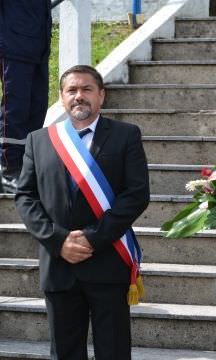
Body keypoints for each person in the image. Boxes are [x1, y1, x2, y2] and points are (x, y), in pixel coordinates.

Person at [15, 65, 150, 360]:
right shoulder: (39, 140)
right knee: (65, 352)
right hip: (59, 263)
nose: (79, 96)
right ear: (62, 97)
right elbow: (25, 196)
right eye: (71, 90)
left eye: (87, 89)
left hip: (107, 259)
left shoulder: (126, 135)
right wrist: (59, 240)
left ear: (101, 95)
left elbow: (137, 194)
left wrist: (92, 239)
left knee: (113, 351)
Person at [0, 0, 52, 193]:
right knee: (15, 110)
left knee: (37, 109)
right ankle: (9, 169)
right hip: (13, 47)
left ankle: (27, 167)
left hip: (40, 49)